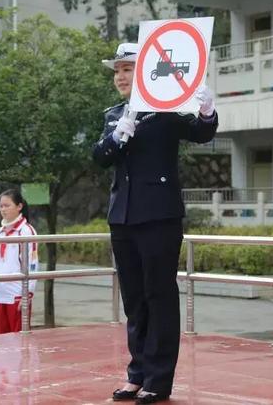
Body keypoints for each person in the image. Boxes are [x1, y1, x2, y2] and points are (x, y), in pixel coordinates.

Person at [93, 43, 218, 404]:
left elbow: (199, 132)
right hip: (123, 216)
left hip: (159, 214)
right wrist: (118, 136)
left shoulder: (164, 113)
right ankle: (137, 372)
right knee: (134, 298)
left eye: (127, 69)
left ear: (145, 72)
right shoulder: (114, 114)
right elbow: (99, 157)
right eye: (116, 70)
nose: (119, 76)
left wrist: (207, 111)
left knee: (158, 294)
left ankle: (158, 378)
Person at [0, 189, 39, 334]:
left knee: (19, 338)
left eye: (7, 205)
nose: (3, 209)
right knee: (1, 341)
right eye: (1, 206)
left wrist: (27, 293)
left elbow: (32, 265)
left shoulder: (26, 231)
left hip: (17, 293)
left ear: (19, 206)